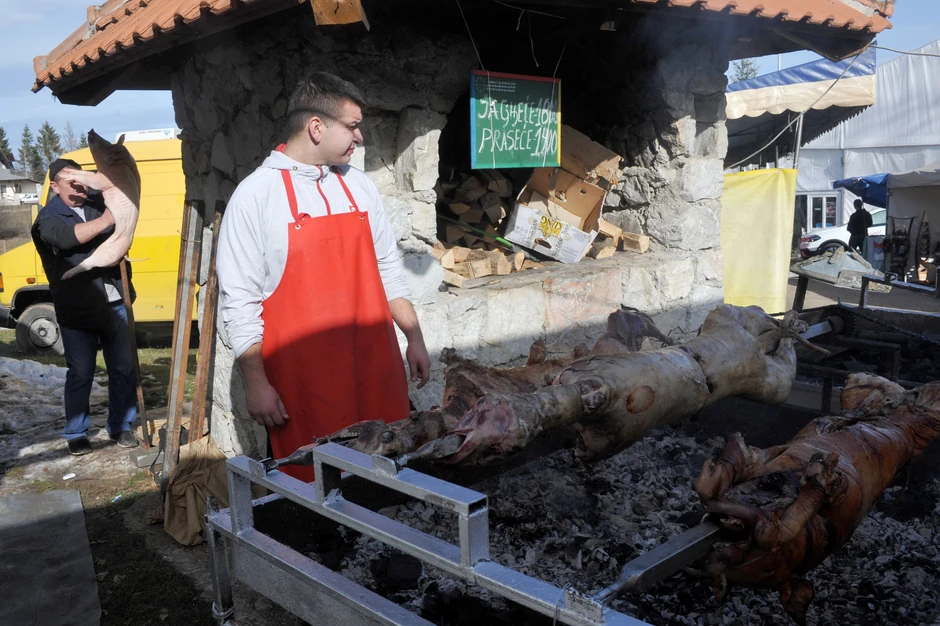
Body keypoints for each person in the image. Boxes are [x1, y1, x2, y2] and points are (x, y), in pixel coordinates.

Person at [217, 72, 431, 481]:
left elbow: (388, 268)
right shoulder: (255, 197)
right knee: (314, 486)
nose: (360, 138)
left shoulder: (359, 187)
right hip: (305, 382)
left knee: (386, 477)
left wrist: (414, 337)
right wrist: (256, 384)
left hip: (375, 367)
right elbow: (240, 303)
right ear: (316, 127)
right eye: (352, 126)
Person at [31, 158, 139, 456]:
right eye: (71, 182)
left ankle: (121, 425)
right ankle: (77, 433)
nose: (80, 186)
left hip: (114, 301)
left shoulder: (97, 201)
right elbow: (67, 239)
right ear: (55, 187)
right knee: (81, 372)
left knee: (123, 368)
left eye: (82, 179)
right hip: (77, 308)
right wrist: (108, 220)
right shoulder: (47, 219)